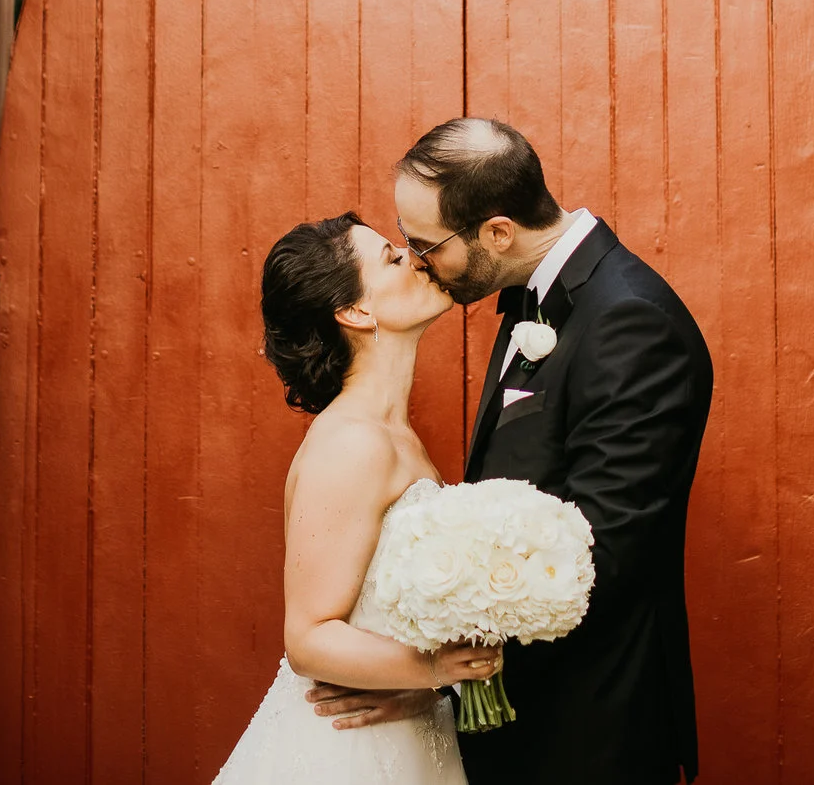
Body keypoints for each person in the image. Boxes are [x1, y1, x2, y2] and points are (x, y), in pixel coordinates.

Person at [306, 118, 715, 785]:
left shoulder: (630, 321)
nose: (417, 260)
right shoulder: (535, 296)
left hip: (589, 733)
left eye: (425, 245)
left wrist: (444, 680)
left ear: (498, 233)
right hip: (521, 730)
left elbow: (602, 558)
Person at [212, 212, 498, 785]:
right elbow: (309, 639)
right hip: (347, 752)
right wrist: (440, 668)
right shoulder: (352, 443)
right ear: (356, 312)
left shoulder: (396, 437)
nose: (415, 257)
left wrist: (433, 685)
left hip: (412, 735)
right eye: (392, 258)